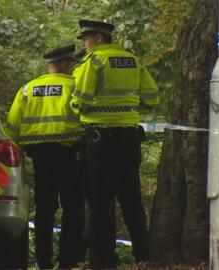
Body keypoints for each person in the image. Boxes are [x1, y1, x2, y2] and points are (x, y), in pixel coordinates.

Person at [71, 19, 159, 268]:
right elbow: (152, 96)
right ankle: (143, 256)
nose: (85, 44)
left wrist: (76, 107)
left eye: (86, 39)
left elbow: (81, 101)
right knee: (131, 198)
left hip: (101, 141)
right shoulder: (132, 60)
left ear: (98, 38)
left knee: (101, 201)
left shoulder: (94, 62)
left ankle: (105, 260)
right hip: (130, 138)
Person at [6, 44, 85, 269]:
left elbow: (12, 129)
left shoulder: (28, 89)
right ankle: (68, 261)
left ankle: (43, 262)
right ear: (66, 64)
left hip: (40, 158)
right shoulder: (76, 86)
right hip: (71, 155)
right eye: (72, 64)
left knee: (44, 210)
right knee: (73, 208)